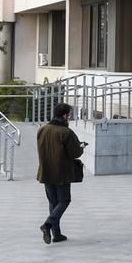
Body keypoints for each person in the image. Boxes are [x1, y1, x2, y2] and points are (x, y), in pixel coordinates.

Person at [36, 103, 85, 244]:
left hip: (45, 171)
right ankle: (47, 225)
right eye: (68, 115)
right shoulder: (66, 132)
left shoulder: (42, 129)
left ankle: (56, 235)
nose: (69, 118)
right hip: (61, 173)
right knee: (64, 201)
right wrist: (81, 146)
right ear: (64, 115)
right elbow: (75, 153)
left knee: (53, 202)